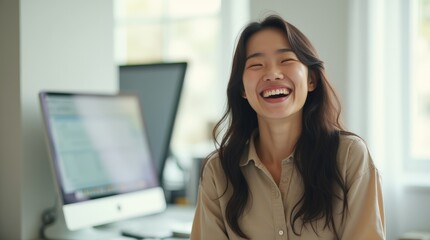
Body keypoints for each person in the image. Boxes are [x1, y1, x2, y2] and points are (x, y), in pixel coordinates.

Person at [190, 14, 385, 240]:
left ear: (311, 79)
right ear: (242, 89)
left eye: (286, 61)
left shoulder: (349, 156)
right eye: (256, 64)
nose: (272, 74)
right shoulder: (218, 171)